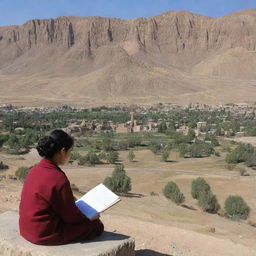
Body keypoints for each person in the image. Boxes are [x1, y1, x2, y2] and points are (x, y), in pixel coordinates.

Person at [19, 129, 104, 245]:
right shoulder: (58, 178)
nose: (69, 155)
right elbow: (71, 217)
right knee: (96, 226)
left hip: (25, 229)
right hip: (43, 233)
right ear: (63, 151)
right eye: (69, 151)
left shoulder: (34, 170)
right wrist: (89, 216)